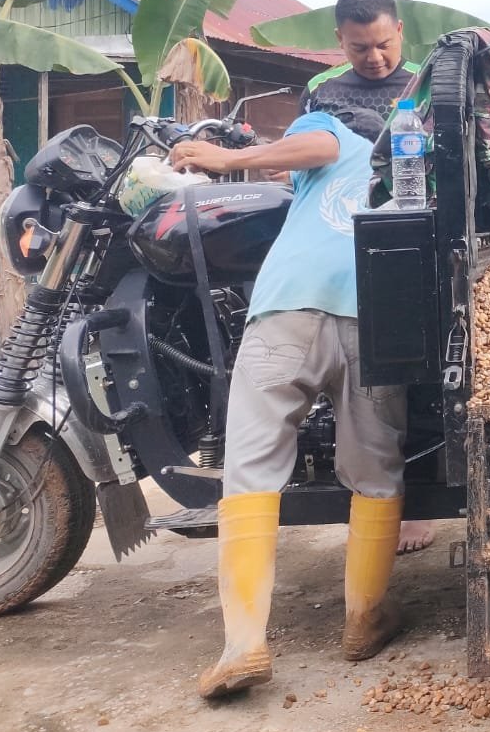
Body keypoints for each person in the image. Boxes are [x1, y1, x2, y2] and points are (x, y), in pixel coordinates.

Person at [172, 105, 409, 700]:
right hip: (376, 322)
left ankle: (243, 644)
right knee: (375, 470)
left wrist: (228, 157)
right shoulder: (404, 164)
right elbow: (302, 166)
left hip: (289, 312)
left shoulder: (331, 129)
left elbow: (319, 146)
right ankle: (364, 618)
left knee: (251, 468)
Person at [302, 0, 434, 557]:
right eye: (359, 48)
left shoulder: (424, 87)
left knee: (417, 374)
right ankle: (370, 497)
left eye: (383, 44)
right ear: (340, 40)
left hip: (411, 243)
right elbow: (305, 159)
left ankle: (418, 503)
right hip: (339, 242)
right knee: (359, 381)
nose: (374, 57)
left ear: (399, 31)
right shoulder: (322, 92)